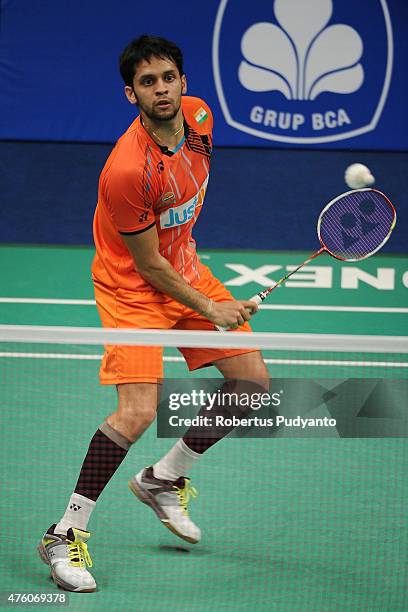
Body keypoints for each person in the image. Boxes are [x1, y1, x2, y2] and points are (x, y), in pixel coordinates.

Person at [38, 34, 270, 593]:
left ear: (183, 83)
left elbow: (180, 221)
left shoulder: (200, 118)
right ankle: (62, 534)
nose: (161, 89)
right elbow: (147, 266)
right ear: (130, 94)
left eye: (168, 78)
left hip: (184, 267)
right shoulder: (125, 170)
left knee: (252, 386)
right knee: (138, 411)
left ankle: (164, 478)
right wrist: (213, 308)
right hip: (133, 288)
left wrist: (207, 297)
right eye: (148, 83)